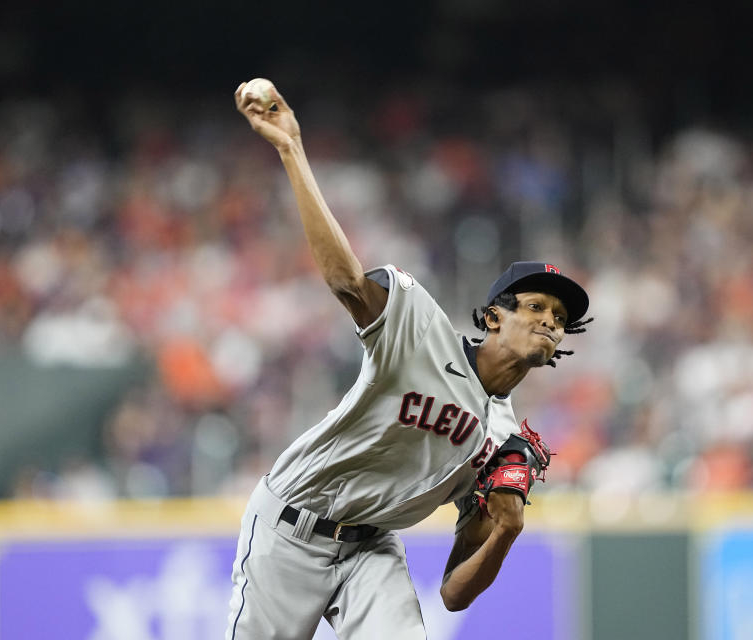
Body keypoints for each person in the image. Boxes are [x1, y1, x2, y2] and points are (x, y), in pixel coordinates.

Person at [226, 79, 592, 640]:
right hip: (292, 524)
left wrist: (505, 533)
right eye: (536, 306)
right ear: (493, 317)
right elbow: (347, 279)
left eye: (561, 318)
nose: (549, 321)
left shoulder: (503, 443)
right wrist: (290, 148)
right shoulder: (420, 330)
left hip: (371, 543)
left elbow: (453, 592)